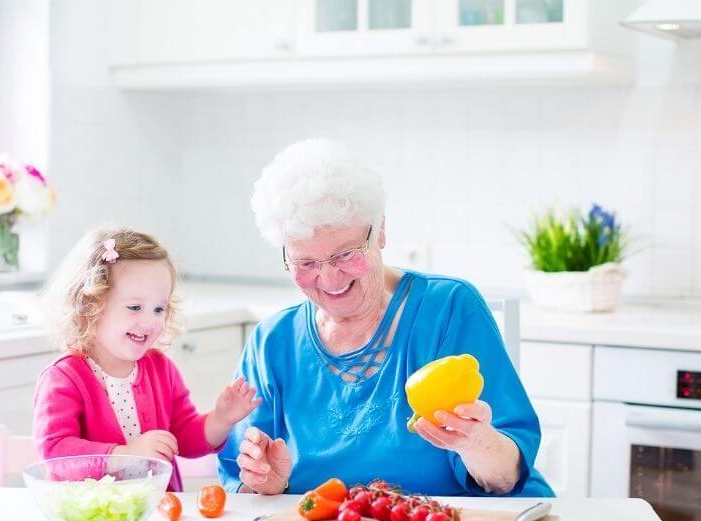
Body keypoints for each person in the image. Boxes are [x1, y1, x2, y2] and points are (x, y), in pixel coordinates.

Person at [218, 139, 554, 497]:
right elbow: (240, 482)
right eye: (306, 263)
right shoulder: (273, 342)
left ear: (379, 230)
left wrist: (476, 443)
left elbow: (503, 479)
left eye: (345, 254)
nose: (330, 279)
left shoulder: (449, 309)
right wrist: (265, 483)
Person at [33, 226, 260, 491]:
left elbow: (183, 438)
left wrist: (220, 420)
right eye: (134, 307)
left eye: (159, 308)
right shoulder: (63, 378)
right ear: (90, 304)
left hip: (160, 513)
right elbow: (56, 452)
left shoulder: (161, 369)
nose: (149, 320)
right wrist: (124, 454)